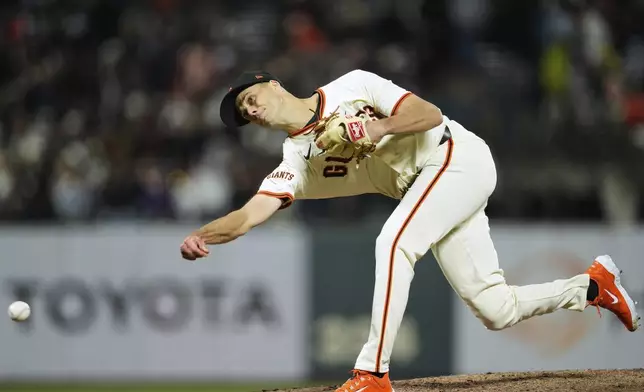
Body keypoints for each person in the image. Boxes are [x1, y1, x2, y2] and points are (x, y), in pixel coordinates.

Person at [180, 69, 640, 392]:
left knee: (394, 241)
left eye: (249, 98)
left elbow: (430, 115)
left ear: (272, 83)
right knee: (496, 309)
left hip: (455, 156)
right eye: (244, 113)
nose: (251, 109)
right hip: (431, 189)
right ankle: (592, 286)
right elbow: (248, 214)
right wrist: (205, 234)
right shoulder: (297, 161)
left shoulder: (352, 85)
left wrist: (377, 126)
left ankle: (372, 374)